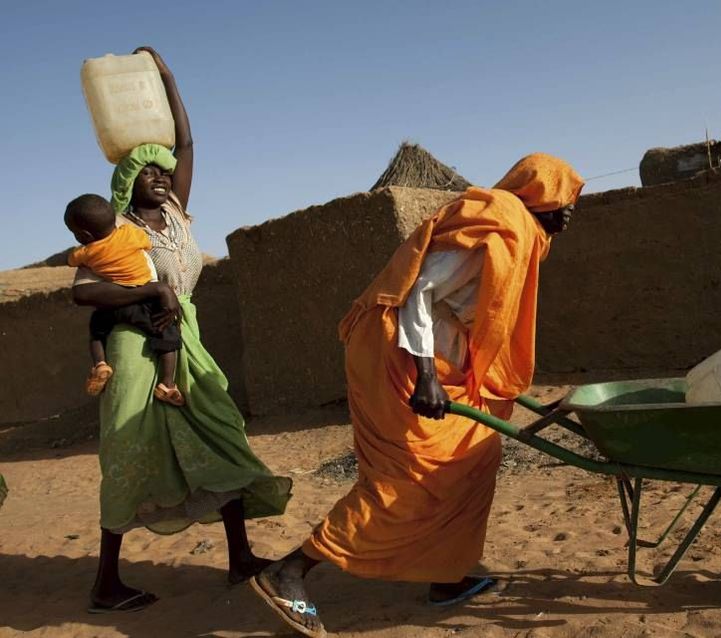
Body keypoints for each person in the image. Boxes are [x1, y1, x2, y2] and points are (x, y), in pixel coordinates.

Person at [250, 153, 584, 637]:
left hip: (433, 354)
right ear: (539, 193)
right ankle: (289, 571)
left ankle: (446, 575)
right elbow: (419, 291)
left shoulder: (526, 237)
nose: (571, 210)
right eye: (566, 197)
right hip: (399, 353)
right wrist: (426, 375)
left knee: (473, 454)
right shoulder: (499, 225)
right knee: (410, 476)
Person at [72, 46, 292, 614]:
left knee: (220, 432)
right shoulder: (114, 231)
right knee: (128, 448)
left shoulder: (177, 212)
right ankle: (105, 582)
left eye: (162, 169)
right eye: (147, 171)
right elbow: (83, 292)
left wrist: (168, 78)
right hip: (133, 346)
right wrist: (148, 291)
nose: (160, 175)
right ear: (126, 182)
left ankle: (240, 557)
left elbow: (186, 144)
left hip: (183, 340)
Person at [65, 193, 184, 405]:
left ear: (84, 234)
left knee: (96, 332)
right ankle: (167, 383)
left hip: (114, 305)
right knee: (169, 336)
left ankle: (100, 364)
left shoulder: (85, 253)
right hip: (147, 302)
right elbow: (146, 243)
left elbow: (71, 260)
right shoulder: (129, 233)